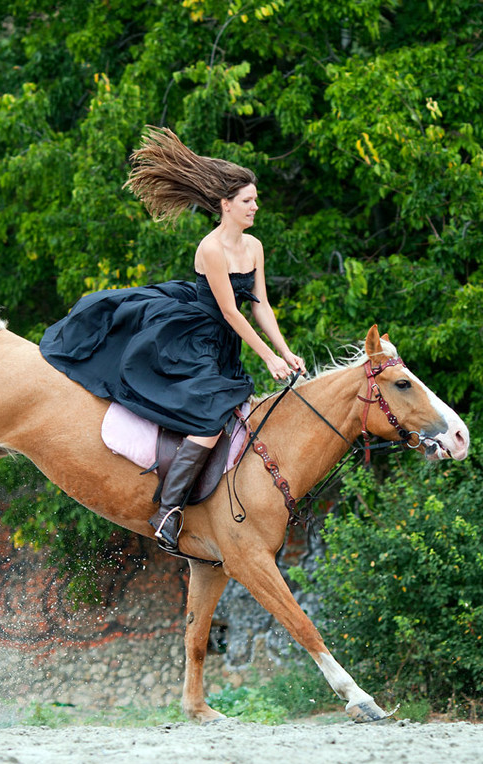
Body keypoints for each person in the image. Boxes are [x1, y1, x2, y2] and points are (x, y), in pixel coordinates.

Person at [40, 126, 305, 554]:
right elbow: (230, 311)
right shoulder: (211, 249)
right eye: (248, 201)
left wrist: (285, 351)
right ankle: (167, 509)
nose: (256, 206)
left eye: (255, 199)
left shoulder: (253, 246)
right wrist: (267, 358)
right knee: (207, 419)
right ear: (226, 205)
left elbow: (260, 306)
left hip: (225, 341)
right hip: (192, 338)